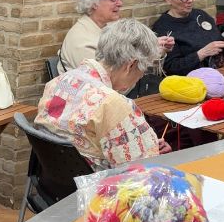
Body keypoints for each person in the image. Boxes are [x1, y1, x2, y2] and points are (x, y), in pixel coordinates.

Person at [36, 19, 172, 170]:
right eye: (144, 69)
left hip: (54, 179)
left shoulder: (60, 82)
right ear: (131, 65)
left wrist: (145, 143)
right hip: (97, 186)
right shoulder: (113, 104)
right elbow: (143, 169)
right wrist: (154, 150)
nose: (141, 76)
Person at [58, 0, 174, 73]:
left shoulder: (110, 26)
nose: (120, 3)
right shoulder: (81, 41)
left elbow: (131, 57)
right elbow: (110, 83)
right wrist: (150, 54)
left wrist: (153, 48)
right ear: (93, 2)